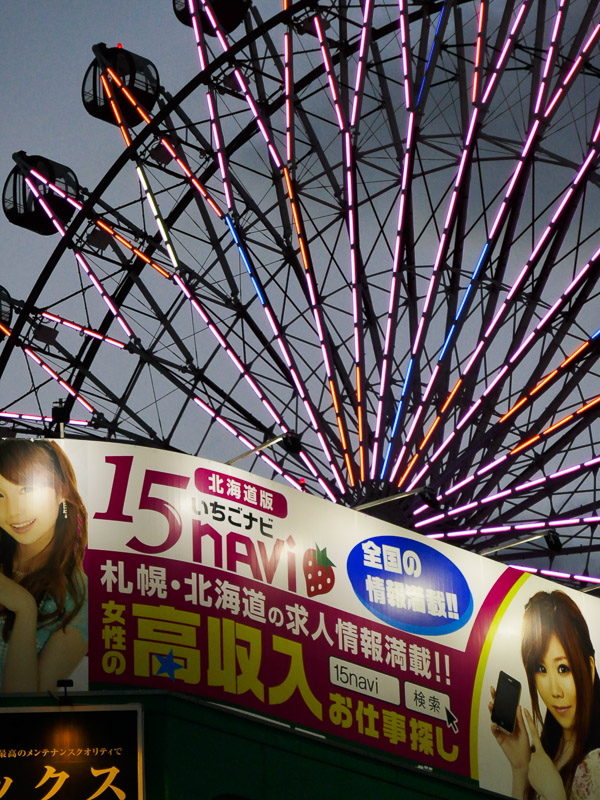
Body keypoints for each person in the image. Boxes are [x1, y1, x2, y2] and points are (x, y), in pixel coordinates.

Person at [490, 590, 600, 800]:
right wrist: (520, 768)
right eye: (541, 669)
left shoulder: (595, 764)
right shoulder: (546, 752)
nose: (555, 691)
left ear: (589, 667)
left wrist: (554, 794)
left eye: (563, 669)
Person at [0, 439, 87, 692]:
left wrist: (25, 608)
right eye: (0, 495)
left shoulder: (79, 598)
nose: (13, 512)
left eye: (27, 489)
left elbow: (26, 705)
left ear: (61, 491)